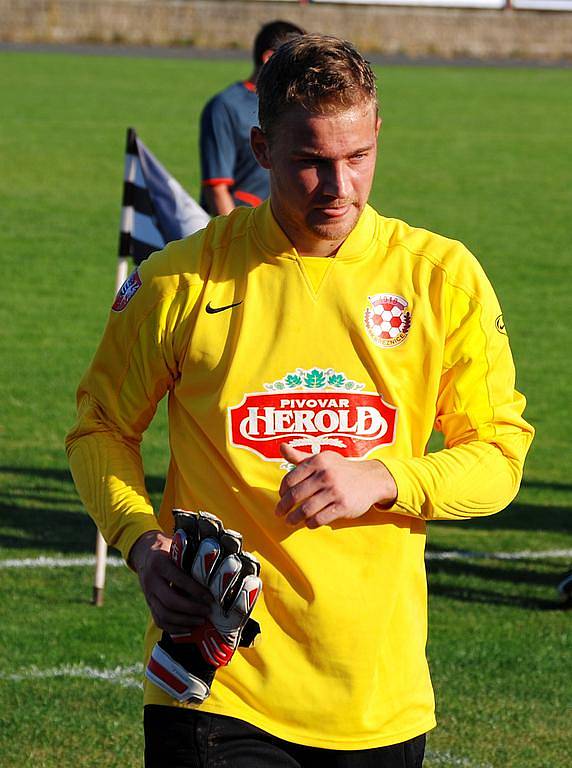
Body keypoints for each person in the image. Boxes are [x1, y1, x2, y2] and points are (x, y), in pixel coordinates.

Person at [66, 35, 534, 768]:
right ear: (261, 145)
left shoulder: (441, 277)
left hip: (376, 698)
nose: (338, 188)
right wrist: (137, 538)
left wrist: (385, 479)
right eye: (310, 161)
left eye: (357, 159)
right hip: (214, 688)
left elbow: (501, 455)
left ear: (377, 133)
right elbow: (98, 426)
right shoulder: (181, 279)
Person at [199, 19, 305, 216]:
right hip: (242, 233)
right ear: (269, 58)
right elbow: (216, 188)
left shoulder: (297, 106)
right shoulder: (225, 106)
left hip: (278, 232)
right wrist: (234, 241)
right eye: (298, 61)